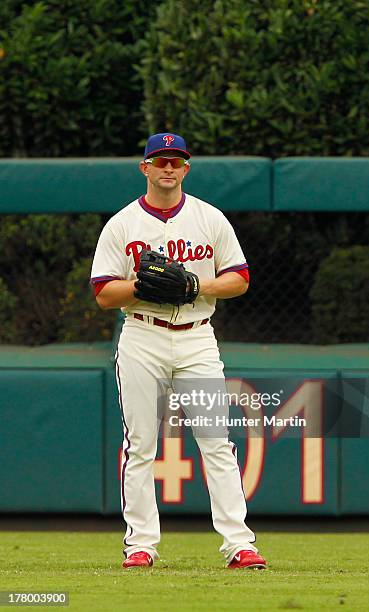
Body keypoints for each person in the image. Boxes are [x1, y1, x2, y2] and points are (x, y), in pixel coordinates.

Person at [90, 132, 266, 570]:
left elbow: (239, 279)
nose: (168, 168)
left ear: (186, 168)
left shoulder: (210, 218)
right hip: (142, 335)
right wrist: (139, 285)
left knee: (216, 442)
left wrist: (194, 284)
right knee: (141, 445)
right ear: (144, 168)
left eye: (176, 161)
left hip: (197, 336)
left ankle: (239, 545)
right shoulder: (122, 224)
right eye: (160, 160)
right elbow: (103, 293)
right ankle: (141, 546)